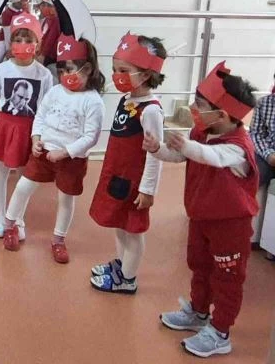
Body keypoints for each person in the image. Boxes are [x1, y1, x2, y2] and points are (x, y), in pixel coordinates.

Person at [144, 62, 259, 358]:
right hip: (201, 216)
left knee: (227, 277)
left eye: (200, 105)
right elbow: (181, 156)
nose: (194, 108)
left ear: (222, 115)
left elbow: (210, 156)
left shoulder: (238, 147)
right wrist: (157, 148)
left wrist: (185, 145)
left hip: (230, 225)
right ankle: (198, 312)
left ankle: (221, 332)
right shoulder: (201, 131)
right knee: (199, 265)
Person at [3, 36, 104, 262]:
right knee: (23, 187)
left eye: (70, 70)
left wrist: (65, 152)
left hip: (71, 159)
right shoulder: (55, 91)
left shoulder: (93, 101)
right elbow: (40, 116)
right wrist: (36, 139)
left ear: (87, 69)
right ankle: (10, 225)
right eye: (62, 71)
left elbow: (91, 137)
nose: (65, 75)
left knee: (66, 199)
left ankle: (58, 240)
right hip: (43, 153)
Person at [89, 33, 167, 294]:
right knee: (120, 224)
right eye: (115, 69)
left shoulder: (151, 110)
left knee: (133, 231)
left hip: (134, 183)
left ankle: (128, 279)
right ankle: (122, 266)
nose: (116, 75)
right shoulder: (128, 99)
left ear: (145, 74)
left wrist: (148, 190)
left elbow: (155, 155)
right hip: (117, 175)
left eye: (124, 71)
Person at [0, 14, 54, 239]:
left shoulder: (44, 75)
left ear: (38, 43)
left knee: (26, 177)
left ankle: (18, 219)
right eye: (18, 39)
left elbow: (45, 110)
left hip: (30, 131)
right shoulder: (0, 71)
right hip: (4, 127)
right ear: (11, 42)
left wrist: (42, 137)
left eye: (28, 39)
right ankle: (0, 216)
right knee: (1, 173)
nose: (22, 44)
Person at [249, 72, 275, 251]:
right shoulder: (264, 103)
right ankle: (249, 235)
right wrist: (269, 155)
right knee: (252, 177)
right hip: (268, 155)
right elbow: (255, 134)